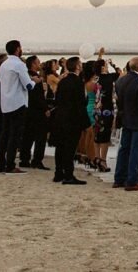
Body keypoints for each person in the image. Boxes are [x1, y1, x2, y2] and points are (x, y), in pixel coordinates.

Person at [0, 40, 36, 174]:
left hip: (5, 103)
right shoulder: (19, 64)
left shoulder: (4, 65)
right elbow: (28, 85)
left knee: (4, 134)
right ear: (18, 49)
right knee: (15, 135)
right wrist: (35, 82)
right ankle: (10, 164)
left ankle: (0, 163)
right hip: (18, 103)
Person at [113, 57, 138, 191]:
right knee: (136, 150)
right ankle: (132, 180)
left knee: (124, 149)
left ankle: (119, 178)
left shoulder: (120, 81)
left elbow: (119, 102)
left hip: (125, 118)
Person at [51, 56, 89, 185]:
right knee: (70, 147)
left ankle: (58, 173)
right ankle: (68, 174)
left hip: (60, 117)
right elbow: (81, 103)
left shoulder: (63, 81)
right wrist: (85, 122)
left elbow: (57, 99)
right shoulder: (78, 82)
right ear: (77, 66)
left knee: (60, 146)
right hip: (73, 119)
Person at [19, 55, 49, 170]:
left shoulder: (26, 76)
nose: (39, 64)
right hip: (37, 111)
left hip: (27, 109)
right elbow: (38, 96)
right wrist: (45, 108)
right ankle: (37, 160)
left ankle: (24, 158)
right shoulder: (35, 78)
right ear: (33, 64)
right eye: (37, 63)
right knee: (40, 137)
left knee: (27, 135)